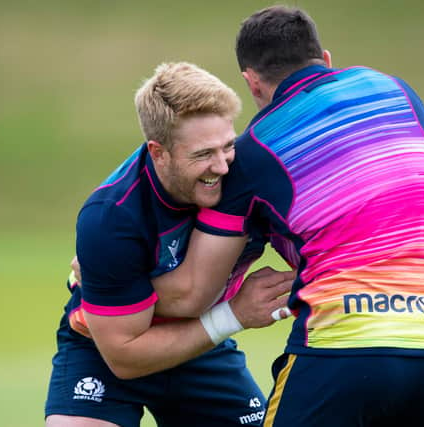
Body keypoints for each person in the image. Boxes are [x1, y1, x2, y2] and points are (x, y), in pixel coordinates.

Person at [150, 6, 424, 427]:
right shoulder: (398, 91)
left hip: (338, 350)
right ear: (326, 58)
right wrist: (389, 289)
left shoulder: (254, 149)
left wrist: (107, 282)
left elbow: (193, 292)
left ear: (251, 81)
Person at [44, 62, 295, 427]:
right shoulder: (111, 217)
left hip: (201, 348)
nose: (222, 166)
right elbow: (124, 357)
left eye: (227, 146)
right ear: (158, 152)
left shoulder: (246, 174)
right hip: (104, 346)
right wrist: (235, 315)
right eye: (202, 154)